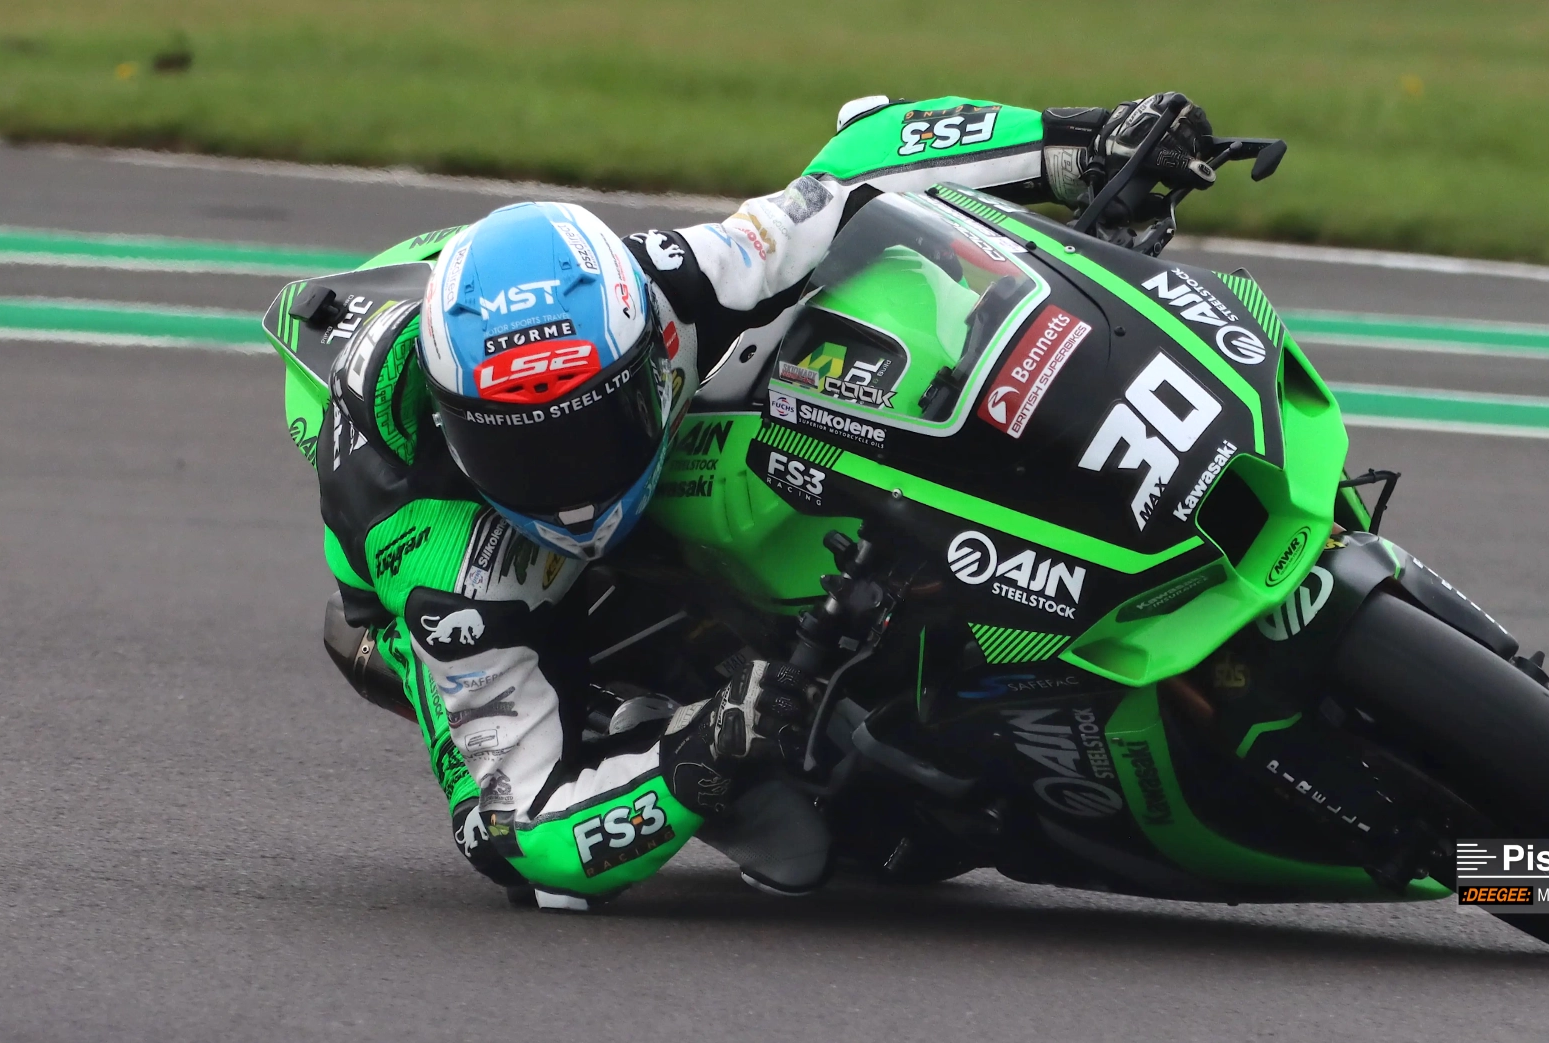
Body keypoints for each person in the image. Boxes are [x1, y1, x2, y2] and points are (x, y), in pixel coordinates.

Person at [314, 92, 1218, 910]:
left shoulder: (677, 285)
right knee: (801, 839)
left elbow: (857, 170)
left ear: (650, 349)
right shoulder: (437, 555)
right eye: (522, 449)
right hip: (463, 585)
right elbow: (523, 838)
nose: (570, 485)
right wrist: (700, 752)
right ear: (457, 424)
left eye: (588, 432)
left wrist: (1080, 143)